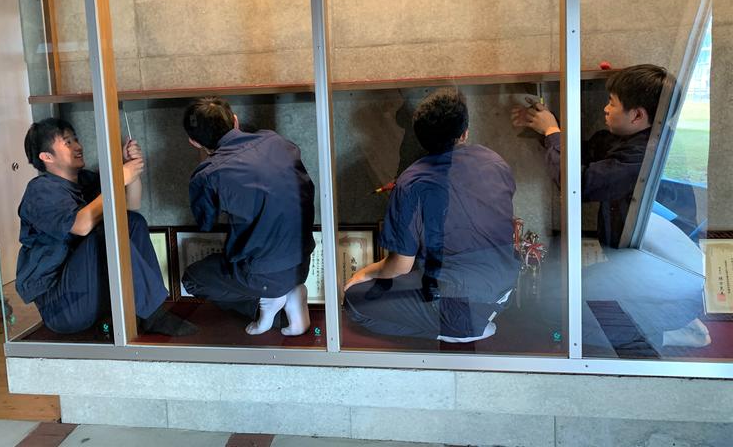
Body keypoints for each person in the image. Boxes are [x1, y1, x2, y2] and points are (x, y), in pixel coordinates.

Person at [343, 89, 518, 342]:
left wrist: (366, 273)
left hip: (458, 301)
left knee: (355, 300)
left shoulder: (412, 182)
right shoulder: (495, 162)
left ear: (419, 137)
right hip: (504, 287)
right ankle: (473, 319)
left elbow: (400, 266)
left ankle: (460, 329)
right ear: (464, 132)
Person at [16, 118, 196, 336]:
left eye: (76, 139)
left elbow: (131, 204)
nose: (78, 146)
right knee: (103, 232)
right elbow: (81, 226)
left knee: (132, 221)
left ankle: (151, 311)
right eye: (67, 142)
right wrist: (118, 179)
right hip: (63, 306)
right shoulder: (40, 191)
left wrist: (130, 171)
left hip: (91, 294)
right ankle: (154, 315)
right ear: (46, 157)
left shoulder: (85, 180)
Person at [181, 97, 315, 336]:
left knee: (192, 279)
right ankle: (290, 294)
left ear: (193, 142)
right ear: (235, 121)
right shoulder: (276, 141)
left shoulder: (208, 174)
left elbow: (206, 222)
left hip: (262, 273)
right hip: (302, 260)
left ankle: (268, 302)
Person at [511, 64, 669, 248]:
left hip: (627, 252)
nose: (606, 108)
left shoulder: (641, 155)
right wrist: (546, 125)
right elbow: (584, 152)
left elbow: (578, 184)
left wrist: (551, 131)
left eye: (612, 103)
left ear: (637, 116)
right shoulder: (633, 140)